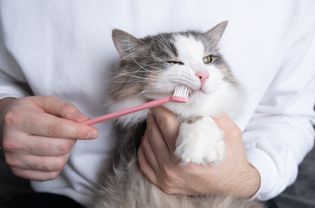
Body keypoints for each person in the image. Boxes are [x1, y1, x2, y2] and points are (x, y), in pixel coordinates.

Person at [0, 1, 314, 207]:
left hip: (241, 191)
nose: (200, 74)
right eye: (175, 61)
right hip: (69, 196)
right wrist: (4, 110)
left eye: (208, 59)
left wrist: (249, 177)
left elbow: (290, 113)